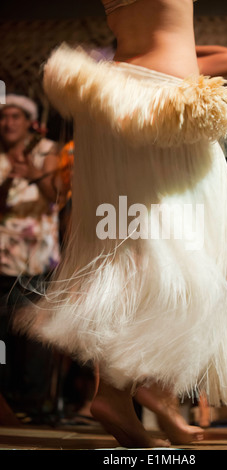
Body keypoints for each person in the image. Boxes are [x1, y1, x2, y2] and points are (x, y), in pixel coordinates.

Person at [14, 0, 227, 448]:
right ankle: (123, 393)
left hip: (114, 96)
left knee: (135, 245)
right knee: (192, 246)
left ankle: (150, 398)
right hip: (166, 103)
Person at [0, 94, 66, 420]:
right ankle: (8, 403)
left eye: (16, 116)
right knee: (3, 337)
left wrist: (33, 173)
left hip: (37, 258)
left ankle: (34, 405)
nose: (8, 122)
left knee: (33, 335)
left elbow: (57, 196)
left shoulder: (48, 150)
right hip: (1, 257)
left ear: (29, 121)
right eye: (4, 116)